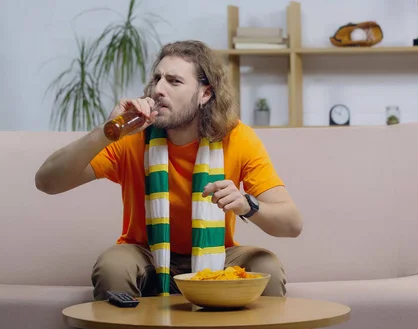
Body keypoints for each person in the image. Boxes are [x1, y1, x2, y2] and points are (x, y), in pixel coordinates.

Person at [35, 40, 303, 301]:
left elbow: (292, 224)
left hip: (215, 253)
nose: (158, 89)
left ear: (205, 94)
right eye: (157, 79)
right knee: (113, 266)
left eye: (174, 81)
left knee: (267, 265)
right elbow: (47, 181)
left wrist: (247, 205)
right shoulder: (131, 137)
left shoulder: (238, 137)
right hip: (145, 252)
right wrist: (108, 131)